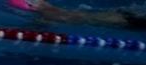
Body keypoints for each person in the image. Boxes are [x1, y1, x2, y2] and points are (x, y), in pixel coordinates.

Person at [14, 0, 146, 29]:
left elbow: (37, 28)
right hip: (124, 16)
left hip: (127, 20)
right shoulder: (53, 12)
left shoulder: (49, 16)